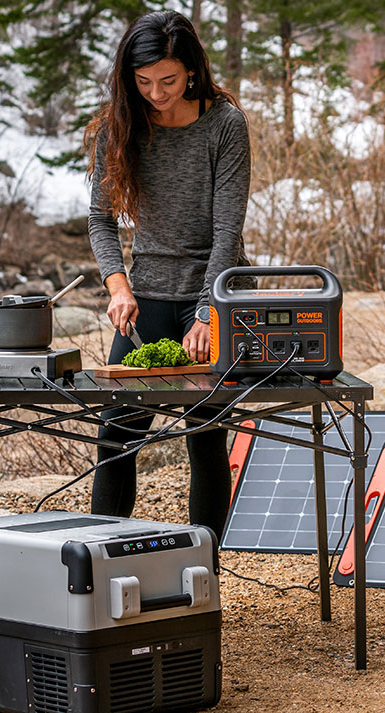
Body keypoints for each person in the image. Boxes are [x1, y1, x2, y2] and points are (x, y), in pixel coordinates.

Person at [83, 10, 250, 541]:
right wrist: (118, 286)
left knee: (206, 435)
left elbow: (227, 232)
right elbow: (101, 220)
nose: (156, 93)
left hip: (217, 293)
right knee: (116, 435)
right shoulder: (119, 127)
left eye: (169, 80)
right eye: (144, 81)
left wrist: (206, 313)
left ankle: (204, 569)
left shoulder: (225, 125)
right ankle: (102, 561)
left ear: (192, 71)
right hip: (149, 292)